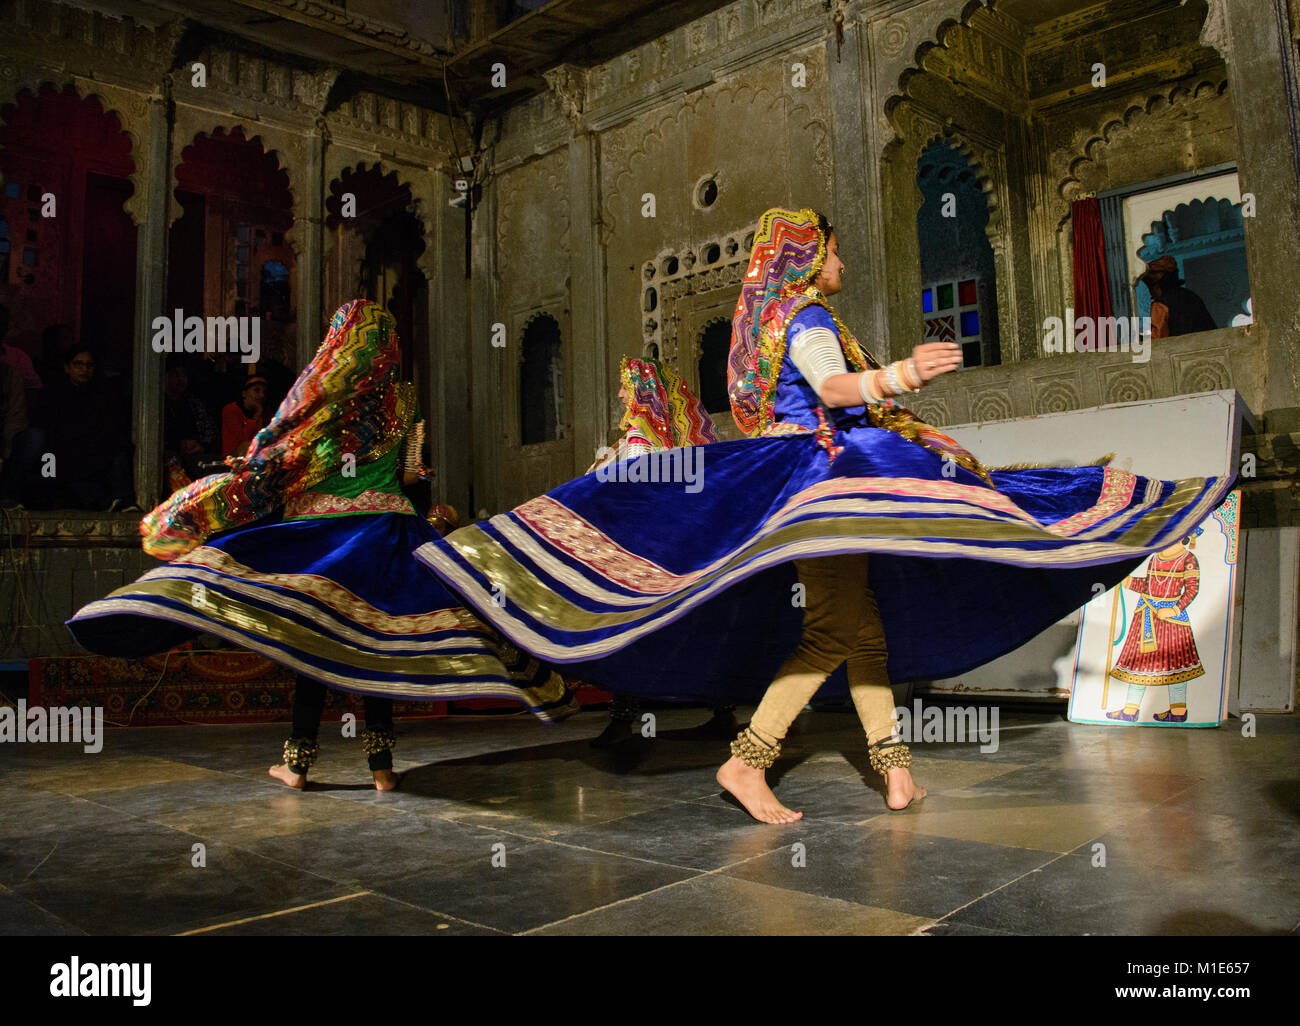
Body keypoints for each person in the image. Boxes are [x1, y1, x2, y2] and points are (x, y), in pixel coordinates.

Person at [414, 207, 1233, 823]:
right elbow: (835, 390)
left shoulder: (784, 319)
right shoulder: (804, 318)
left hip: (812, 476)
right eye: (834, 250)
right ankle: (749, 760)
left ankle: (894, 769)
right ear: (809, 258)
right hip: (822, 477)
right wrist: (904, 374)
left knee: (859, 628)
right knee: (835, 628)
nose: (841, 261)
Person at [67, 300, 575, 788]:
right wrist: (408, 484)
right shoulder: (403, 398)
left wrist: (246, 477)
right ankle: (381, 769)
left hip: (328, 533)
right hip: (391, 530)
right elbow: (410, 471)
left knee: (312, 641)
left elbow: (283, 456)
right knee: (377, 645)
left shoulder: (325, 395)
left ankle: (298, 764)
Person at [586, 356, 737, 747]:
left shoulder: (639, 439)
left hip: (642, 551)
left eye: (625, 387)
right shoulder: (667, 438)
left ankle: (622, 720)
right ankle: (723, 712)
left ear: (641, 392)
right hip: (680, 549)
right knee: (697, 628)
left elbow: (627, 493)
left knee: (631, 632)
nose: (621, 395)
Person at [1106, 528, 1204, 724]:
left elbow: (1192, 589)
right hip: (1146, 616)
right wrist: (1128, 582)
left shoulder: (1188, 559)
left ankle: (1178, 711)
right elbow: (1149, 585)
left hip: (1172, 620)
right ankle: (1130, 710)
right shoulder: (1155, 558)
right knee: (1138, 663)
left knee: (1176, 665)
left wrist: (1174, 610)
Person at [30, 342, 133, 510]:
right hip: (60, 454)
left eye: (89, 365)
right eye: (78, 364)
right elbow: (49, 429)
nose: (84, 369)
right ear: (67, 368)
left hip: (91, 451)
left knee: (117, 448)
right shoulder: (54, 394)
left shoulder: (101, 394)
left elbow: (108, 426)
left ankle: (122, 500)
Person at [1138, 255, 1216, 339]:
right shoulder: (1191, 296)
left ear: (1155, 286)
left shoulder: (1161, 304)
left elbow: (1156, 339)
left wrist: (1135, 336)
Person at [221, 373, 269, 460]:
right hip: (234, 456)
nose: (262, 395)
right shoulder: (231, 410)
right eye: (256, 391)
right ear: (244, 393)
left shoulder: (264, 413)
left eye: (264, 392)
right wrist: (256, 416)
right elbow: (243, 441)